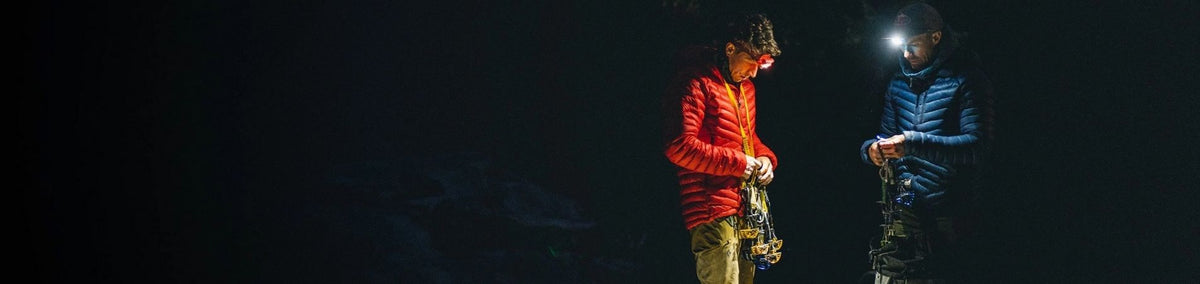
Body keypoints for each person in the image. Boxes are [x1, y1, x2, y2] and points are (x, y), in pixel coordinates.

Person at [861, 3, 994, 283]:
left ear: (936, 37)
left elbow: (976, 146)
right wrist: (871, 151)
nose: (906, 54)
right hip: (905, 208)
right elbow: (884, 137)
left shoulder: (967, 80)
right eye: (901, 46)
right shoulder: (898, 83)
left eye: (913, 45)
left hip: (950, 215)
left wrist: (911, 143)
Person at [663, 13, 781, 284]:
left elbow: (746, 139)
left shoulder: (745, 89)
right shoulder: (695, 83)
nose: (753, 72)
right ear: (730, 49)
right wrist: (738, 163)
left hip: (746, 208)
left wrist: (764, 159)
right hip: (710, 207)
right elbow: (678, 146)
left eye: (760, 65)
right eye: (752, 61)